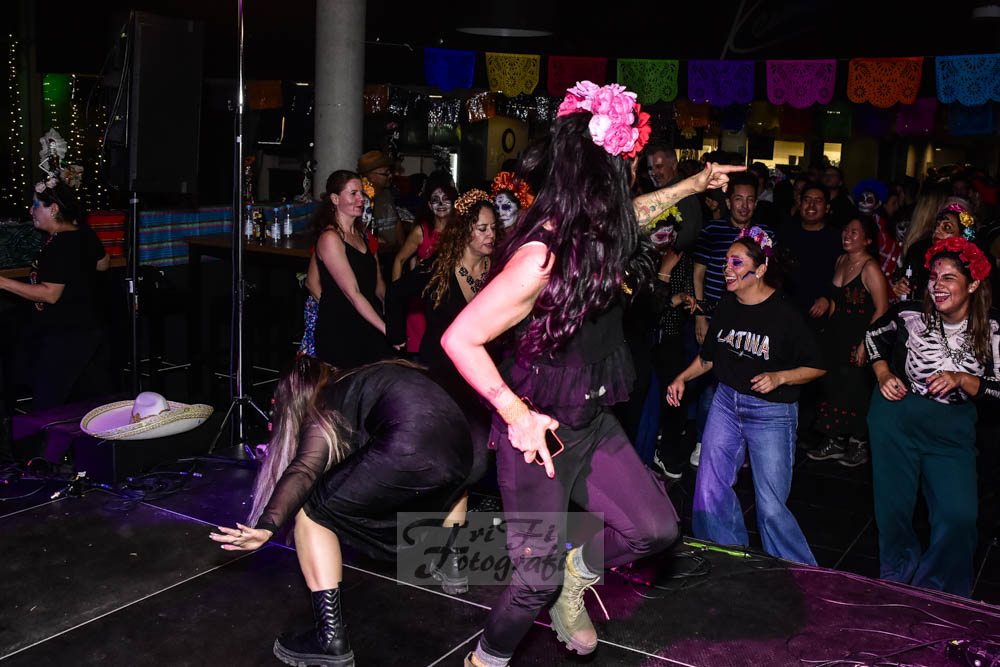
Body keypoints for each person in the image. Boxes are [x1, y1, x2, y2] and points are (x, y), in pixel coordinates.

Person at [442, 80, 740, 667]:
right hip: (540, 434)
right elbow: (460, 338)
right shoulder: (540, 256)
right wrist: (515, 414)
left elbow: (639, 212)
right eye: (623, 163)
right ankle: (484, 660)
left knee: (655, 529)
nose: (632, 173)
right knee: (533, 580)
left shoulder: (603, 229)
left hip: (592, 419)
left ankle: (573, 577)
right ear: (597, 174)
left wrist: (692, 185)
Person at [210, 357, 478, 666]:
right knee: (446, 473)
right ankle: (452, 565)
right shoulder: (368, 377)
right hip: (472, 447)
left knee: (312, 508)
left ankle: (330, 641)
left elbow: (304, 470)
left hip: (413, 445)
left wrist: (267, 525)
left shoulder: (325, 400)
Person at [667, 226, 825, 565]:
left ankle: (799, 572)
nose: (727, 268)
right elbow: (708, 358)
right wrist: (682, 377)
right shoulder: (727, 305)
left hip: (772, 412)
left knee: (770, 505)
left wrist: (780, 376)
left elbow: (817, 366)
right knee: (709, 487)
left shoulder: (785, 313)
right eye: (726, 261)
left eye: (736, 263)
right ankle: (724, 558)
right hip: (726, 402)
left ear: (761, 269)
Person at [865, 237, 999, 597]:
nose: (938, 285)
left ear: (973, 284)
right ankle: (896, 573)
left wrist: (964, 380)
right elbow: (873, 336)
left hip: (951, 428)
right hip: (898, 417)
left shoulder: (993, 329)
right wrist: (883, 373)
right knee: (893, 509)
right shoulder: (910, 314)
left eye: (949, 278)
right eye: (934, 277)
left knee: (958, 516)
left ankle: (938, 591)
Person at [0, 176, 110, 410]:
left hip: (67, 334)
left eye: (36, 205)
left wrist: (3, 282)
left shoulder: (61, 245)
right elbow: (103, 263)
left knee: (48, 407)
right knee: (80, 405)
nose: (31, 211)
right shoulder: (82, 233)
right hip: (85, 330)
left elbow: (50, 294)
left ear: (54, 209)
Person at [808, 216, 890, 466]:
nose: (847, 235)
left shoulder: (870, 268)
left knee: (855, 390)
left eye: (854, 232)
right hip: (836, 336)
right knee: (834, 387)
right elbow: (836, 301)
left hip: (859, 337)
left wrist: (866, 343)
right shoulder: (841, 260)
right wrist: (827, 332)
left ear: (867, 240)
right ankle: (835, 440)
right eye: (845, 230)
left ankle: (859, 444)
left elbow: (882, 309)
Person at [311, 170, 388, 369]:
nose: (361, 199)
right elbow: (352, 293)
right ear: (335, 199)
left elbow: (374, 282)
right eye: (353, 194)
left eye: (361, 193)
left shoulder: (361, 235)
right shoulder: (330, 238)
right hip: (340, 332)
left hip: (364, 326)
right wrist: (386, 329)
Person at [391, 173, 457, 354]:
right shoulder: (421, 231)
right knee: (419, 355)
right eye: (435, 200)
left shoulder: (461, 231)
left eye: (446, 199)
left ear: (453, 202)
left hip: (450, 301)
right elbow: (399, 260)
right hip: (421, 304)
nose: (441, 204)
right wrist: (397, 295)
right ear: (429, 205)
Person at [895, 201, 975, 302]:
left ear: (962, 236)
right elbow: (905, 292)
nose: (937, 231)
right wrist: (900, 290)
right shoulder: (919, 253)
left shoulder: (973, 263)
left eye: (946, 227)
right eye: (936, 226)